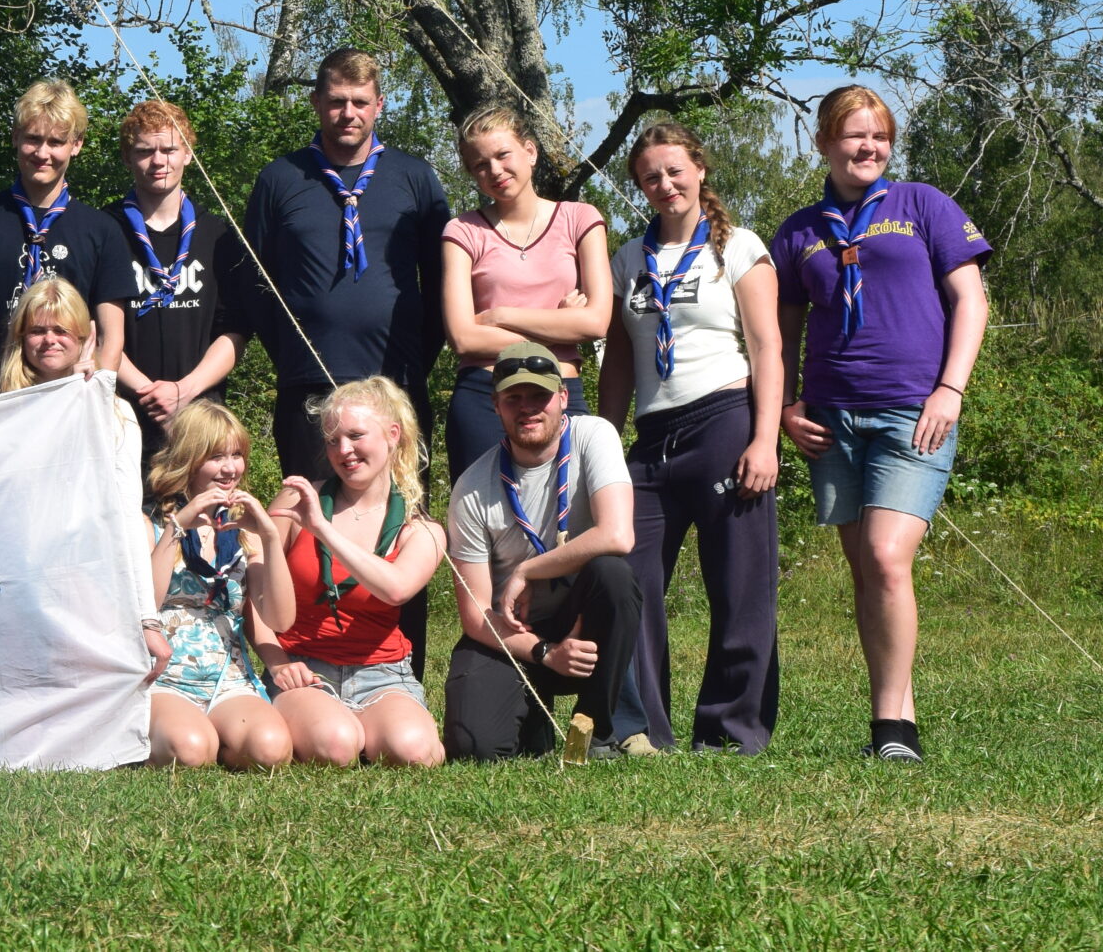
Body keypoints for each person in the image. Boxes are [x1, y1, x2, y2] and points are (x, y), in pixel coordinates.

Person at [772, 86, 989, 764]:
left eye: (880, 136)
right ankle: (898, 711)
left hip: (912, 413)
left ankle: (891, 730)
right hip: (830, 420)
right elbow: (781, 334)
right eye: (853, 135)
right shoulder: (798, 230)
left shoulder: (924, 205)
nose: (868, 147)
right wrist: (786, 407)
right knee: (868, 573)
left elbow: (971, 300)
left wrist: (951, 389)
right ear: (823, 143)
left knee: (888, 558)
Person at [240, 47, 448, 671]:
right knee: (307, 527)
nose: (348, 113)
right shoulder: (282, 179)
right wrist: (293, 356)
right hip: (309, 390)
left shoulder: (414, 178)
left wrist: (411, 365)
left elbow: (442, 283)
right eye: (336, 101)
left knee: (397, 526)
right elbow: (255, 282)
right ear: (316, 103)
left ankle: (401, 671)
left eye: (360, 102)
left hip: (396, 391)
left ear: (379, 105)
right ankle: (304, 665)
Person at [599, 119, 783, 755]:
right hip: (652, 438)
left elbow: (767, 347)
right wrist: (606, 443)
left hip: (724, 421)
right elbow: (618, 363)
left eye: (675, 170)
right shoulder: (628, 259)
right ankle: (640, 728)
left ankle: (730, 730)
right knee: (628, 575)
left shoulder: (739, 247)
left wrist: (765, 440)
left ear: (700, 170)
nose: (665, 184)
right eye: (650, 176)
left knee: (739, 583)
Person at [442, 342, 642, 762]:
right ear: (496, 406)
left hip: (580, 619)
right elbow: (476, 616)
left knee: (614, 576)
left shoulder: (594, 435)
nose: (527, 408)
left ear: (563, 397)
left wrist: (527, 570)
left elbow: (617, 535)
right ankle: (534, 720)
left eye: (540, 395)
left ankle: (593, 733)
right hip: (514, 630)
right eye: (513, 398)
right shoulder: (472, 488)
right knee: (474, 747)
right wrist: (545, 653)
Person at [256, 378, 447, 768]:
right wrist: (277, 663)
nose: (343, 450)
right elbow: (253, 594)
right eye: (332, 440)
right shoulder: (297, 499)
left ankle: (376, 724)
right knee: (336, 745)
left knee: (414, 752)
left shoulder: (422, 529)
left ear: (392, 435)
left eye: (356, 436)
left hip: (383, 672)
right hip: (303, 666)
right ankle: (336, 724)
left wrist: (323, 530)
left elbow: (396, 589)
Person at [440, 106, 610, 484]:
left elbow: (596, 322)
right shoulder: (462, 231)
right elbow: (463, 337)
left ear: (530, 152)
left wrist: (501, 315)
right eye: (480, 165)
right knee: (483, 515)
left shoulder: (580, 219)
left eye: (503, 155)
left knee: (571, 512)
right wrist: (560, 324)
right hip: (485, 397)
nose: (495, 170)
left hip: (561, 391)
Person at [0, 80, 135, 396]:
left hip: (71, 399)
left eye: (56, 142)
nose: (43, 153)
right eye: (33, 139)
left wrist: (93, 395)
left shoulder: (102, 230)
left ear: (76, 144)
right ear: (15, 137)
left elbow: (111, 337)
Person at [142, 402, 294, 770]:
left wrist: (270, 537)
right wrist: (178, 527)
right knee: (191, 751)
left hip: (228, 675)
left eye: (236, 455)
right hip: (165, 676)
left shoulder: (243, 531)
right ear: (189, 459)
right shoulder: (149, 522)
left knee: (271, 751)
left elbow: (280, 619)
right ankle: (189, 734)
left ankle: (219, 735)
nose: (230, 468)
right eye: (216, 457)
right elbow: (145, 603)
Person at [111, 100, 253, 459]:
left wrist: (184, 390)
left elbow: (235, 331)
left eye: (169, 149)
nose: (158, 161)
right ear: (127, 158)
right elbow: (93, 331)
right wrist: (149, 392)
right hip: (123, 416)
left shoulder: (218, 235)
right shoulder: (104, 231)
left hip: (200, 417)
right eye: (145, 151)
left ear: (188, 154)